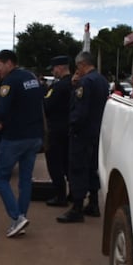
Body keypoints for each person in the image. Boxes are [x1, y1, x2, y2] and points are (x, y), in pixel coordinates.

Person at [0, 49, 45, 238]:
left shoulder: (10, 82)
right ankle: (21, 217)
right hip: (34, 137)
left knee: (0, 177)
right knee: (24, 180)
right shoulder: (31, 77)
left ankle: (16, 217)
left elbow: (2, 109)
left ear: (9, 63)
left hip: (15, 137)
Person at [57, 51, 109, 223]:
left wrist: (72, 126)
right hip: (96, 132)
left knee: (78, 169)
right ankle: (93, 203)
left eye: (78, 66)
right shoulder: (102, 80)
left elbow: (80, 111)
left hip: (82, 133)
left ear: (82, 64)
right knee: (92, 168)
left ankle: (77, 208)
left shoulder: (85, 82)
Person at [43, 55, 72, 207]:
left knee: (54, 164)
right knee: (68, 165)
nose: (53, 71)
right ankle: (73, 194)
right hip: (70, 130)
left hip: (56, 131)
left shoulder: (59, 86)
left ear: (60, 67)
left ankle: (60, 196)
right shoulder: (75, 83)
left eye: (54, 68)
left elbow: (46, 105)